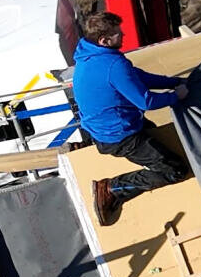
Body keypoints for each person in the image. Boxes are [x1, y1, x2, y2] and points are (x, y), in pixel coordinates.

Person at [73, 12, 190, 226]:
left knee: (164, 141)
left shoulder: (91, 55)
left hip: (108, 126)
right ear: (104, 40)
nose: (124, 35)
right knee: (175, 170)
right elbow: (145, 102)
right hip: (120, 136)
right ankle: (112, 188)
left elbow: (136, 77)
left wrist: (172, 82)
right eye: (118, 33)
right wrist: (176, 96)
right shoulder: (112, 65)